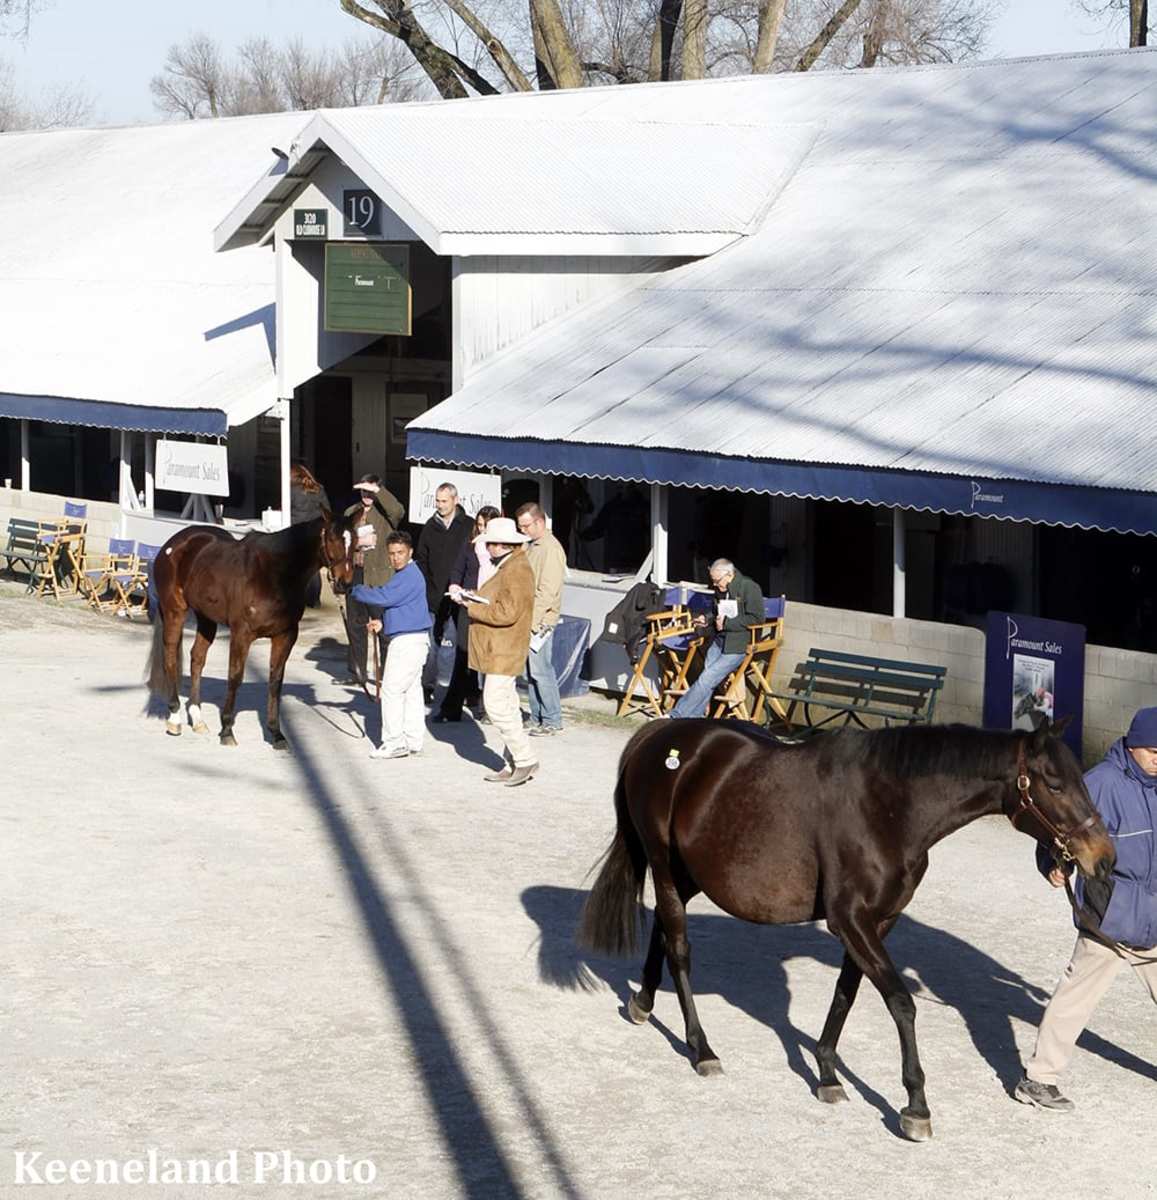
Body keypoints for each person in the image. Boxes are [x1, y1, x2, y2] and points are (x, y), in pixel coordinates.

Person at [1015, 707, 1157, 1112]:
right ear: (1132, 746)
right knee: (1075, 999)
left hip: (1154, 913)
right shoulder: (1099, 784)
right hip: (1109, 913)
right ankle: (1038, 1080)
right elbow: (1058, 833)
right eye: (1152, 750)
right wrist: (1052, 866)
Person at [451, 516, 537, 787]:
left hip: (505, 647)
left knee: (496, 705)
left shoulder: (516, 569)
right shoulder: (512, 566)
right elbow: (504, 605)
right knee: (508, 705)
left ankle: (524, 759)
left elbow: (506, 612)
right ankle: (514, 762)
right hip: (502, 647)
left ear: (501, 545)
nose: (486, 549)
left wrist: (471, 606)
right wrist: (475, 597)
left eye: (489, 544)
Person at [349, 531, 432, 760]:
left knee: (392, 690)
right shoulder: (406, 574)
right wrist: (383, 622)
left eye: (400, 553)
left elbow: (385, 598)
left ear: (410, 552)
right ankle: (413, 740)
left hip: (407, 642)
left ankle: (394, 742)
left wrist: (355, 589)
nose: (396, 558)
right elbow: (401, 605)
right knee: (411, 691)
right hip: (412, 638)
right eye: (392, 554)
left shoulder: (408, 575)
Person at [668, 559, 763, 719]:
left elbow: (757, 618)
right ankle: (694, 719)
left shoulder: (749, 587)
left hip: (737, 644)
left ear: (729, 574)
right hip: (719, 641)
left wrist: (727, 622)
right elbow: (715, 611)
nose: (714, 585)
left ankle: (677, 716)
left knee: (706, 679)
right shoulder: (721, 587)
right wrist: (706, 618)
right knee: (707, 681)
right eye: (712, 581)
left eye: (717, 581)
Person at [433, 505, 499, 724]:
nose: (481, 530)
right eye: (479, 525)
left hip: (490, 608)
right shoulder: (470, 546)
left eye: (486, 526)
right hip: (468, 605)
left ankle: (489, 707)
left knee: (490, 659)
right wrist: (454, 586)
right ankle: (451, 708)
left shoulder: (501, 550)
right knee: (462, 656)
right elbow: (457, 569)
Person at [342, 474, 405, 687]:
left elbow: (398, 511)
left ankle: (387, 673)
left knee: (383, 627)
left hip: (378, 575)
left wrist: (379, 492)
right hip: (356, 572)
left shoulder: (386, 513)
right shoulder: (351, 512)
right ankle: (357, 671)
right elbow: (343, 541)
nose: (366, 495)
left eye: (370, 491)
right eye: (363, 491)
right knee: (356, 624)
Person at [415, 483, 474, 706]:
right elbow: (422, 559)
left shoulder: (467, 526)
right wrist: (428, 588)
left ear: (455, 500)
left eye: (444, 501)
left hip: (461, 596)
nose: (440, 505)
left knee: (460, 647)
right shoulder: (430, 527)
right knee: (431, 646)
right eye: (437, 501)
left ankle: (462, 691)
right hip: (434, 597)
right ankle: (426, 686)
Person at [515, 502, 567, 737]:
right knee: (529, 672)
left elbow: (548, 590)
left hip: (541, 620)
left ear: (539, 522)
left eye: (525, 525)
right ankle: (536, 716)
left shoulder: (551, 549)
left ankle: (552, 719)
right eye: (520, 526)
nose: (522, 530)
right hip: (529, 616)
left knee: (540, 670)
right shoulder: (532, 546)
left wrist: (532, 622)